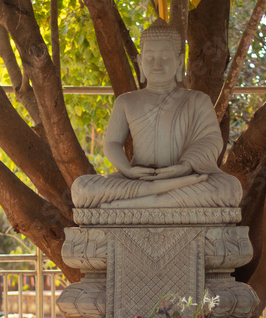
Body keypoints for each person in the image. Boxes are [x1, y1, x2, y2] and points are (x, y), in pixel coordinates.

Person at [71, 19, 242, 209]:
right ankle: (154, 197)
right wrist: (127, 170)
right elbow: (112, 144)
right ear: (140, 61)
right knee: (82, 188)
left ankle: (137, 203)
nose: (157, 64)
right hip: (138, 180)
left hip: (184, 177)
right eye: (150, 58)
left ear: (179, 62)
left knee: (230, 188)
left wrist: (185, 166)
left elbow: (210, 140)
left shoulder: (197, 100)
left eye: (165, 58)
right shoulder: (126, 101)